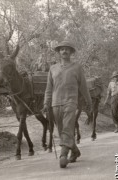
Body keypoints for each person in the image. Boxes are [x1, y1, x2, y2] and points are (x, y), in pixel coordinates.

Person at [42, 40, 92, 168]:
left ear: (71, 52)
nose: (64, 51)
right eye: (62, 49)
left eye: (67, 49)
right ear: (59, 52)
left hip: (71, 102)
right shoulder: (53, 68)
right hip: (55, 103)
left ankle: (63, 155)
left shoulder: (77, 67)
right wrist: (46, 103)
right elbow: (49, 88)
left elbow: (84, 87)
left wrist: (89, 102)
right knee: (61, 131)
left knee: (68, 128)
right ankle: (75, 151)